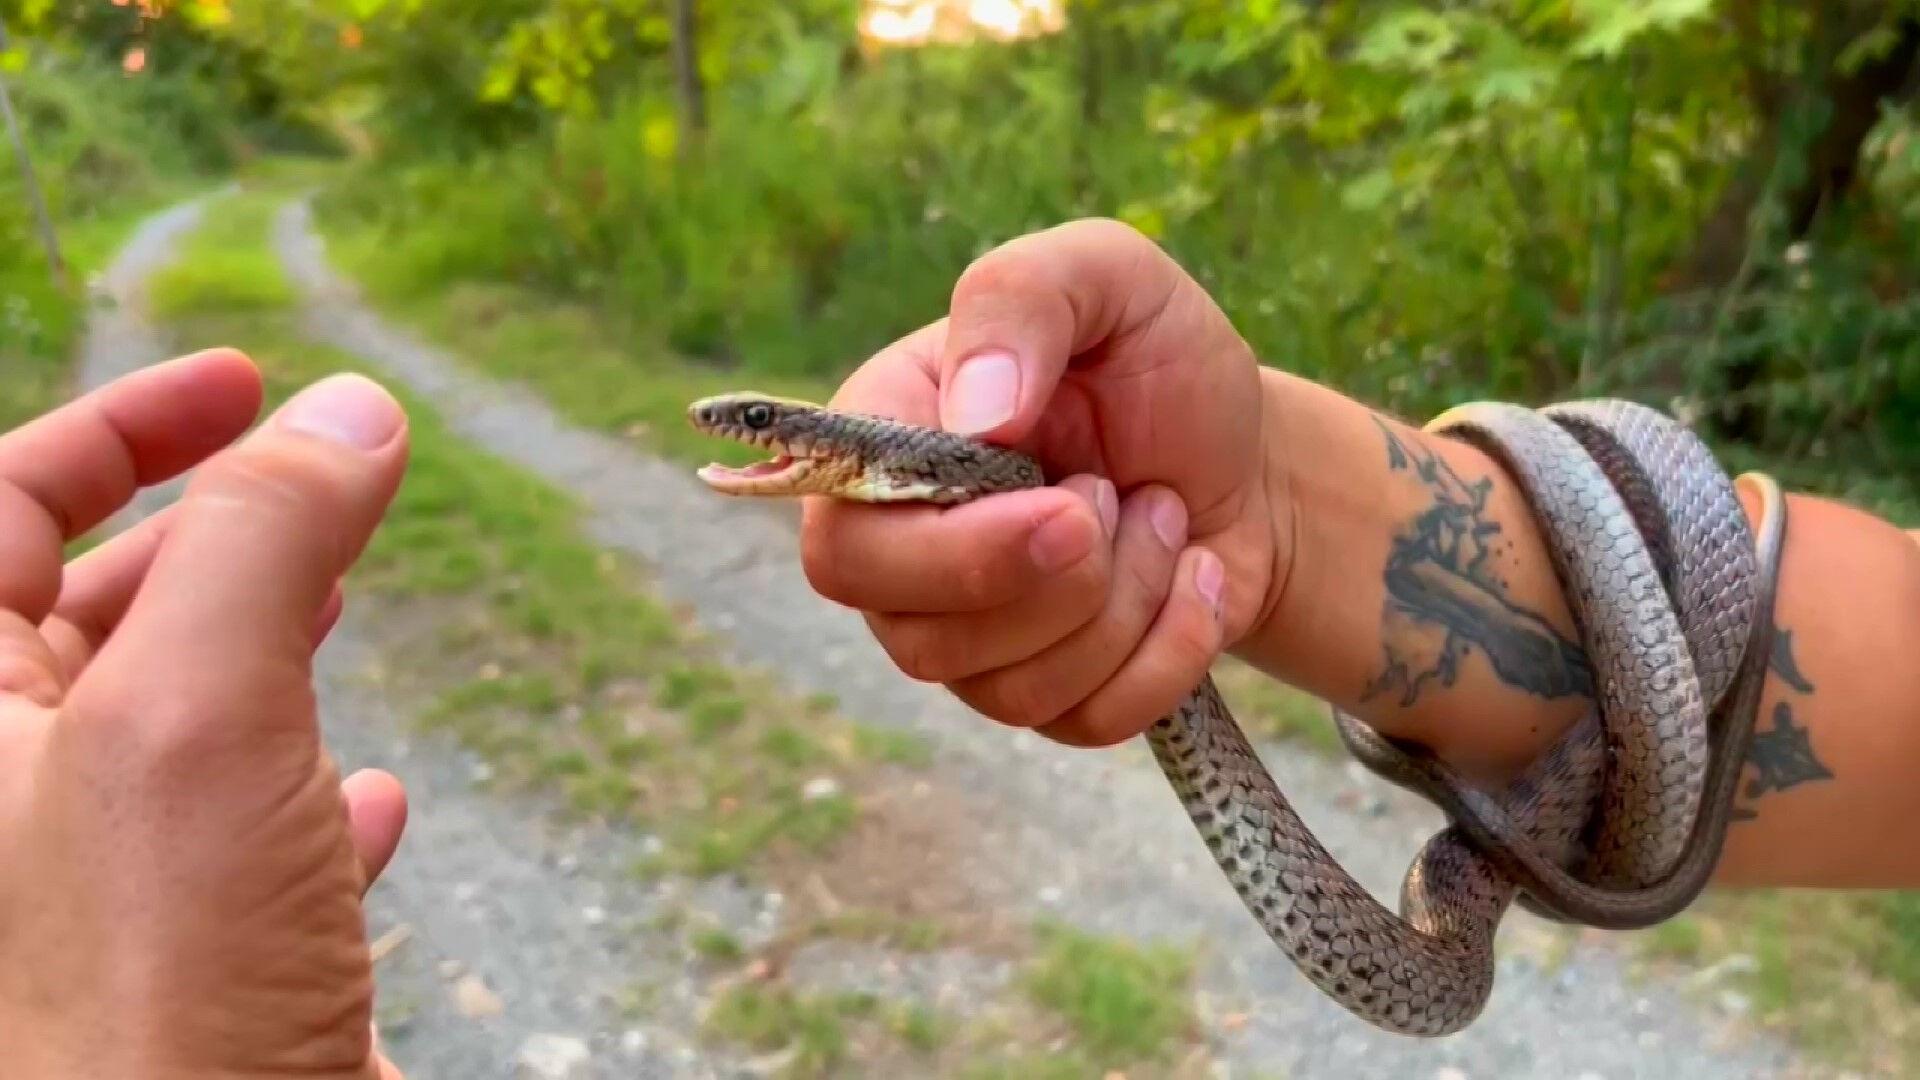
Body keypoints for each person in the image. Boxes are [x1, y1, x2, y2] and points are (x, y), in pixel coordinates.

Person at [4, 220, 1915, 1076]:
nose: (743, 445)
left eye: (762, 429)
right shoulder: (979, 477)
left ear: (828, 455)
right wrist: (1289, 513)